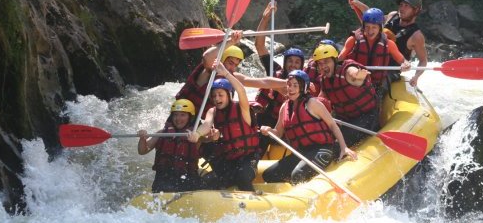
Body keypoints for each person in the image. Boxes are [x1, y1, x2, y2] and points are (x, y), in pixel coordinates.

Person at [260, 70, 357, 184]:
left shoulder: (312, 103)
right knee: (269, 175)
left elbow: (332, 125)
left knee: (298, 175)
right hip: (301, 152)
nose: (290, 88)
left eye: (295, 85)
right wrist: (269, 130)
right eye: (289, 85)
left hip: (322, 149)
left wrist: (344, 147)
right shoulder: (284, 107)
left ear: (303, 88)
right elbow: (278, 132)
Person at [189, 61, 261, 192]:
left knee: (243, 176)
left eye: (220, 95)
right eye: (214, 95)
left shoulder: (242, 108)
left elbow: (241, 90)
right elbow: (206, 124)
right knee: (207, 181)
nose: (217, 98)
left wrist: (225, 73)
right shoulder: (213, 111)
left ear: (229, 95)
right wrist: (198, 134)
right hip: (229, 160)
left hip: (248, 158)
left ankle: (252, 200)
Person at [351, 0, 427, 87]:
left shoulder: (416, 36)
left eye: (406, 6)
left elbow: (423, 61)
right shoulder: (393, 15)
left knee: (377, 86)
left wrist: (416, 77)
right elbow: (374, 18)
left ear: (416, 10)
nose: (402, 8)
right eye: (401, 5)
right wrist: (358, 4)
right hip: (370, 61)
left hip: (389, 71)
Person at [137, 99, 214, 193]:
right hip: (164, 178)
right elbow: (142, 151)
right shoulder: (162, 134)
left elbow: (210, 136)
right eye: (175, 115)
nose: (178, 119)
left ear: (190, 117)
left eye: (183, 115)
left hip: (188, 178)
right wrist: (142, 139)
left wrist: (213, 134)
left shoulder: (196, 135)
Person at [313, 44, 379, 147]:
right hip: (345, 120)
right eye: (320, 64)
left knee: (341, 140)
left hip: (367, 116)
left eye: (326, 62)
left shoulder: (346, 70)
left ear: (334, 60)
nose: (323, 66)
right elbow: (321, 100)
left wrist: (358, 75)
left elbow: (353, 74)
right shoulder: (324, 80)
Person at [339, 8, 411, 90]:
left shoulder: (389, 44)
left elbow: (402, 60)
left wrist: (405, 64)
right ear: (363, 27)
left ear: (380, 28)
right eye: (367, 27)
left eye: (374, 27)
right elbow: (340, 57)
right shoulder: (353, 40)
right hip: (354, 81)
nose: (370, 31)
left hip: (376, 84)